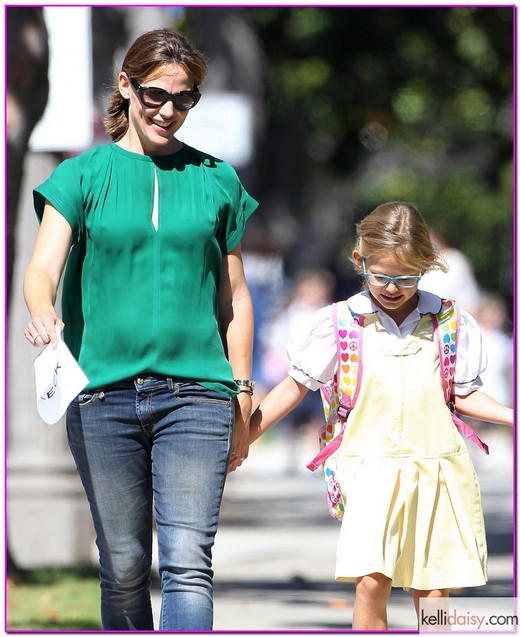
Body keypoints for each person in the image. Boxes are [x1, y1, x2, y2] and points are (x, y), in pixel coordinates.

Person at [23, 28, 258, 631]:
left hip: (197, 396)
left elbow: (234, 295)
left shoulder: (216, 179)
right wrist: (42, 309)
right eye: (156, 94)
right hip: (102, 394)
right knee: (125, 563)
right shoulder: (80, 176)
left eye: (185, 100)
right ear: (126, 85)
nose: (169, 111)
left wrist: (241, 389)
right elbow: (42, 268)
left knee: (187, 561)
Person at [250, 202, 513, 631]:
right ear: (359, 260)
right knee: (372, 581)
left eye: (406, 277)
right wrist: (244, 437)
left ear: (427, 266)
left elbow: (463, 394)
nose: (392, 287)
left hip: (437, 470)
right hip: (369, 470)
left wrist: (509, 416)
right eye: (382, 276)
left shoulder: (449, 323)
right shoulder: (341, 323)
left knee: (434, 590)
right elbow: (294, 386)